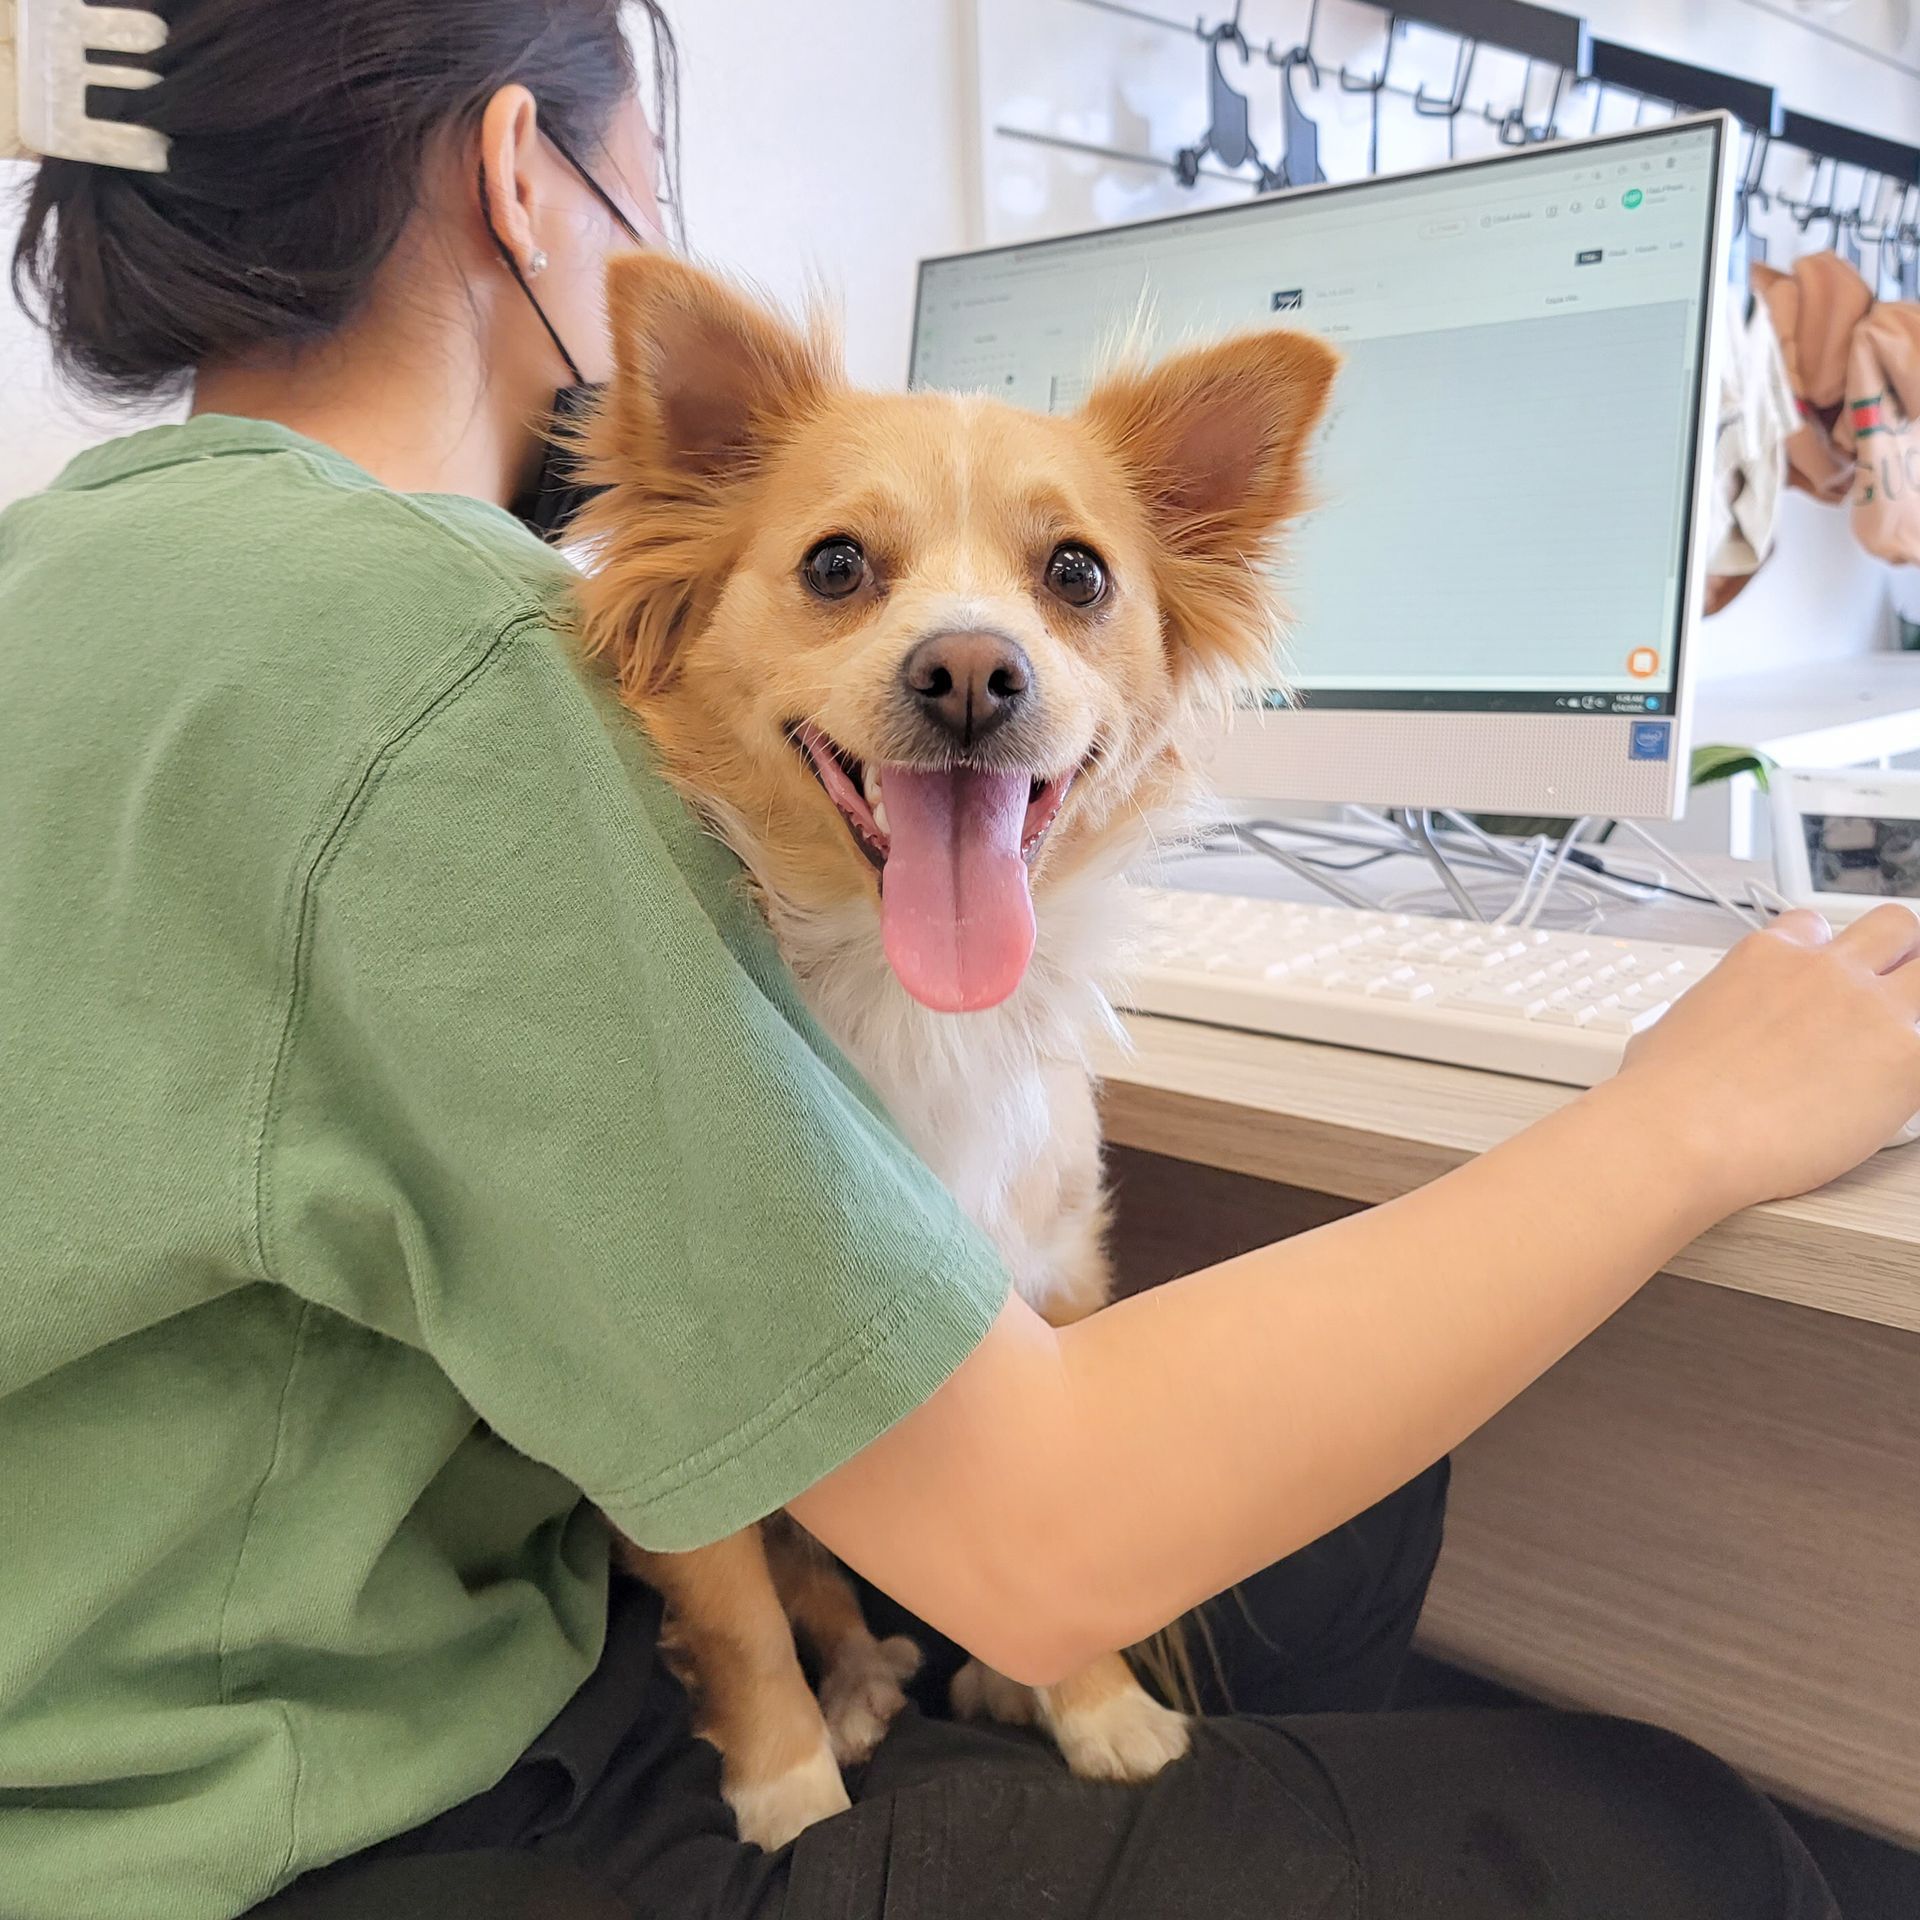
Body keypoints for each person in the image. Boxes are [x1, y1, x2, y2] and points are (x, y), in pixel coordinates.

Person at [3, 5, 1912, 1917]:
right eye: (644, 178)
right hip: (296, 1816)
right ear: (524, 175)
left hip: (133, 1682)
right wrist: (1685, 1121)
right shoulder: (457, 659)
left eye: (1064, 587)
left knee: (1341, 1510)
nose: (968, 659)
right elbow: (1039, 1535)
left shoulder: (60, 571)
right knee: (1677, 1843)